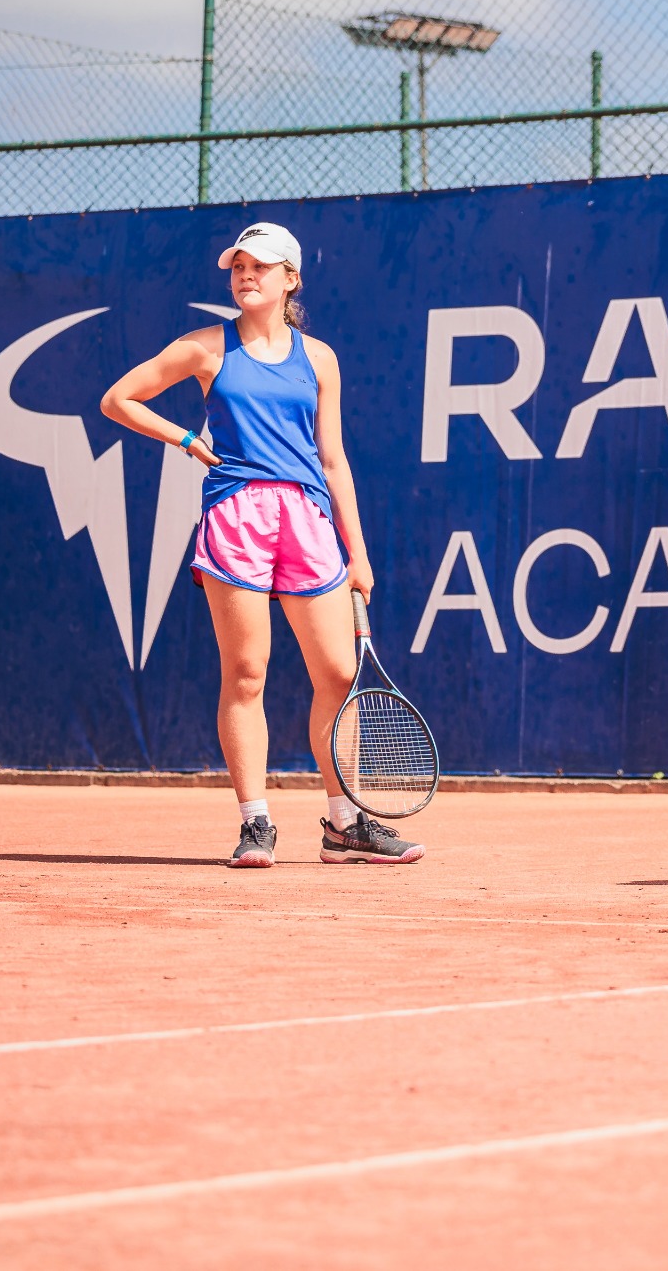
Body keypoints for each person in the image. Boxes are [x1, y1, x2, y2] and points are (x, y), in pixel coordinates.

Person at [101, 222, 423, 869]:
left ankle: (345, 825)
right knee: (247, 673)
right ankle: (256, 824)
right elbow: (119, 400)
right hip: (237, 515)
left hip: (307, 520)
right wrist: (188, 441)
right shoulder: (204, 348)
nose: (246, 275)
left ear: (290, 279)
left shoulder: (320, 358)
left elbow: (333, 460)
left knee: (336, 673)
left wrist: (356, 552)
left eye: (262, 266)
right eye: (238, 266)